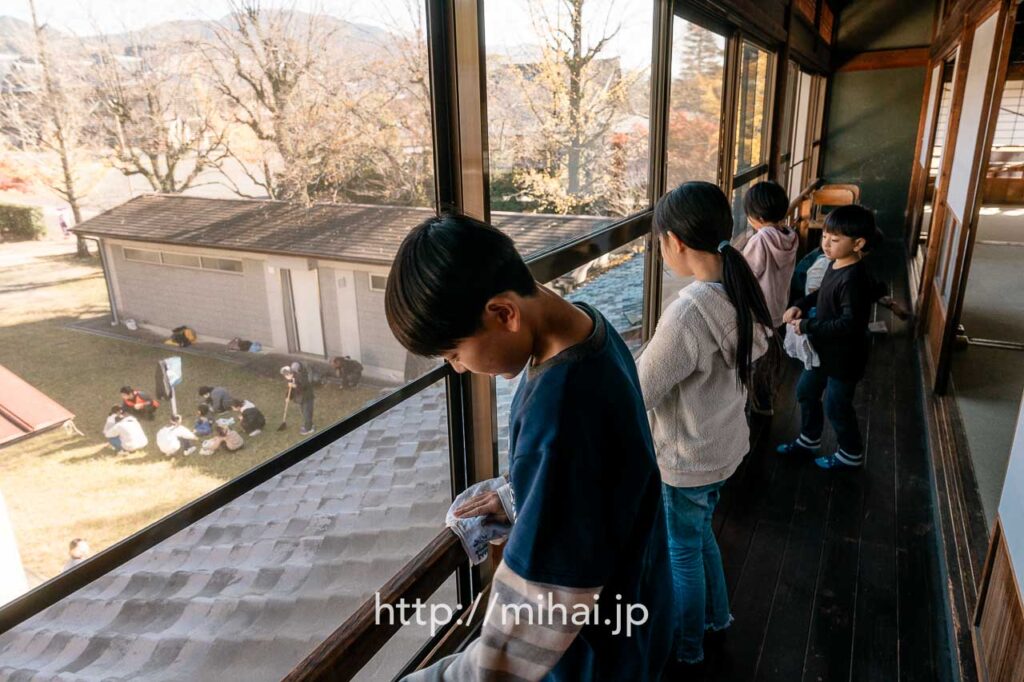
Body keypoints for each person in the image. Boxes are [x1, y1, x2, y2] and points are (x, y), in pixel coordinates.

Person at [388, 214, 672, 682]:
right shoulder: (587, 327)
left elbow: (534, 613)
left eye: (454, 354)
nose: (458, 368)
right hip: (642, 601)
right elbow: (598, 476)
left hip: (595, 652)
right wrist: (523, 491)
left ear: (504, 314)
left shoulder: (561, 407)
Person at [637, 181, 772, 672]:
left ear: (674, 241)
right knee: (700, 537)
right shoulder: (737, 288)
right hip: (723, 449)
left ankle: (688, 647)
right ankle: (717, 617)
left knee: (682, 554)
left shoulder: (688, 313)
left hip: (687, 461)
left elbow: (642, 390)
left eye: (659, 242)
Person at [778, 204, 882, 470]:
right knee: (805, 392)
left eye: (834, 240)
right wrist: (801, 305)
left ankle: (850, 453)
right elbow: (820, 294)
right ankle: (809, 438)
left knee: (837, 406)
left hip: (844, 357)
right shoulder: (835, 263)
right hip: (823, 350)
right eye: (825, 236)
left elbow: (850, 324)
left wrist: (808, 325)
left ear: (858, 244)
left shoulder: (854, 279)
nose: (826, 243)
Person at [741, 181, 798, 415]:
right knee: (770, 357)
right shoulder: (790, 236)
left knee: (754, 358)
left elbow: (746, 274)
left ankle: (752, 405)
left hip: (759, 311)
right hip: (779, 307)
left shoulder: (760, 240)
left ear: (757, 217)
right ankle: (765, 403)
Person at [280, 363, 314, 435]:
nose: (286, 377)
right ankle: (309, 424)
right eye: (285, 376)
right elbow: (291, 390)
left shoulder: (300, 376)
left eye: (287, 374)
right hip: (301, 399)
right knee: (304, 412)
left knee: (307, 413)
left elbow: (304, 387)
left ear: (291, 372)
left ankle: (309, 429)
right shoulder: (290, 379)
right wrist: (288, 397)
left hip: (307, 397)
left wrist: (295, 386)